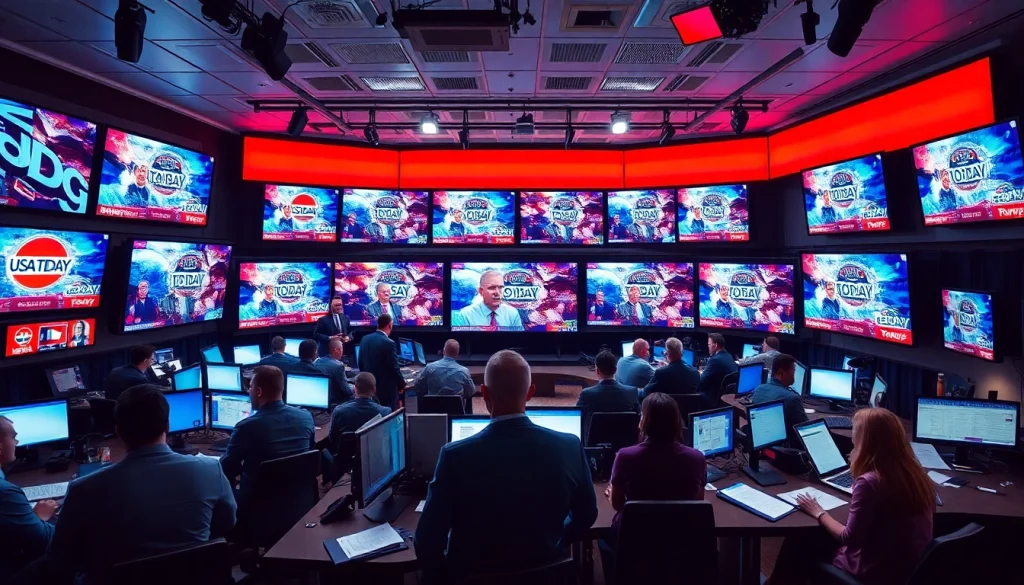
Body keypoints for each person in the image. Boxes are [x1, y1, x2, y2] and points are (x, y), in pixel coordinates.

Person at [415, 350, 597, 580]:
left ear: (484, 393)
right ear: (531, 393)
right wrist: (558, 538)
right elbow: (587, 515)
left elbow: (427, 543)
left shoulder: (454, 456)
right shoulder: (570, 446)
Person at [46, 385, 235, 581]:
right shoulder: (211, 470)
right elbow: (228, 523)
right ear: (167, 426)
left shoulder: (82, 490)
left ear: (118, 431)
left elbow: (61, 559)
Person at [770, 408, 934, 585]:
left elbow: (849, 539)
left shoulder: (870, 482)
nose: (852, 435)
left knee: (800, 539)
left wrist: (818, 511)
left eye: (856, 431)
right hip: (907, 569)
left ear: (867, 440)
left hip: (875, 572)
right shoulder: (915, 473)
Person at [599, 392, 706, 575]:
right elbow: (697, 501)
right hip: (681, 541)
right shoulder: (697, 457)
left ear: (643, 422)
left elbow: (618, 505)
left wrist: (611, 494)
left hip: (633, 541)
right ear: (677, 422)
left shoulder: (625, 456)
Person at [220, 366, 316, 509]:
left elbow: (225, 468)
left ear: (258, 392)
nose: (248, 391)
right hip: (299, 500)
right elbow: (310, 453)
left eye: (250, 387)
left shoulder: (246, 427)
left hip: (256, 505)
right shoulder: (306, 417)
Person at [0, 417, 57, 580]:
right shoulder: (6, 493)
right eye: (13, 436)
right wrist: (39, 518)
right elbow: (47, 540)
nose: (17, 442)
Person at [749, 354, 807, 446]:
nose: (794, 375)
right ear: (781, 372)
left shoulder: (758, 389)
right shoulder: (792, 398)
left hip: (761, 445)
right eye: (793, 371)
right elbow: (805, 430)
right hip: (785, 451)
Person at [577, 350, 639, 436]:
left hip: (594, 444)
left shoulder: (587, 394)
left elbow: (578, 419)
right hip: (626, 443)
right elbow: (639, 420)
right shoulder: (631, 392)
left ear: (597, 371)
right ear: (615, 370)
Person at [328, 373, 392, 447]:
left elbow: (332, 438)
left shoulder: (339, 411)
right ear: (374, 389)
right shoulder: (385, 412)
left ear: (355, 389)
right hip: (373, 455)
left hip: (345, 456)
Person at [357, 314, 406, 410]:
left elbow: (360, 363)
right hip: (386, 391)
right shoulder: (389, 343)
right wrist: (402, 385)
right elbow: (394, 368)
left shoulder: (365, 339)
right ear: (390, 325)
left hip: (369, 388)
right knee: (388, 417)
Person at [411, 339, 476, 412]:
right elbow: (471, 392)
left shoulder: (429, 367)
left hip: (432, 411)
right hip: (456, 412)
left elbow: (417, 386)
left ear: (444, 351)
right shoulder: (464, 371)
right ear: (457, 354)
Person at [453, 270, 524, 330]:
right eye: (492, 288)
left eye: (500, 287)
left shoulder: (512, 313)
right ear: (481, 291)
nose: (497, 292)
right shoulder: (465, 315)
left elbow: (520, 341)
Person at [697, 333, 737, 407]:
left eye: (709, 344)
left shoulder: (715, 360)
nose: (708, 347)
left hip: (713, 398)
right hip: (726, 398)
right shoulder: (728, 356)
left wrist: (697, 375)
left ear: (715, 346)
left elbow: (701, 382)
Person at [314, 338, 353, 404]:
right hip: (336, 401)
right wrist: (354, 388)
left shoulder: (316, 362)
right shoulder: (339, 366)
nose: (342, 352)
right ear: (336, 350)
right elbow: (347, 391)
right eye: (342, 349)